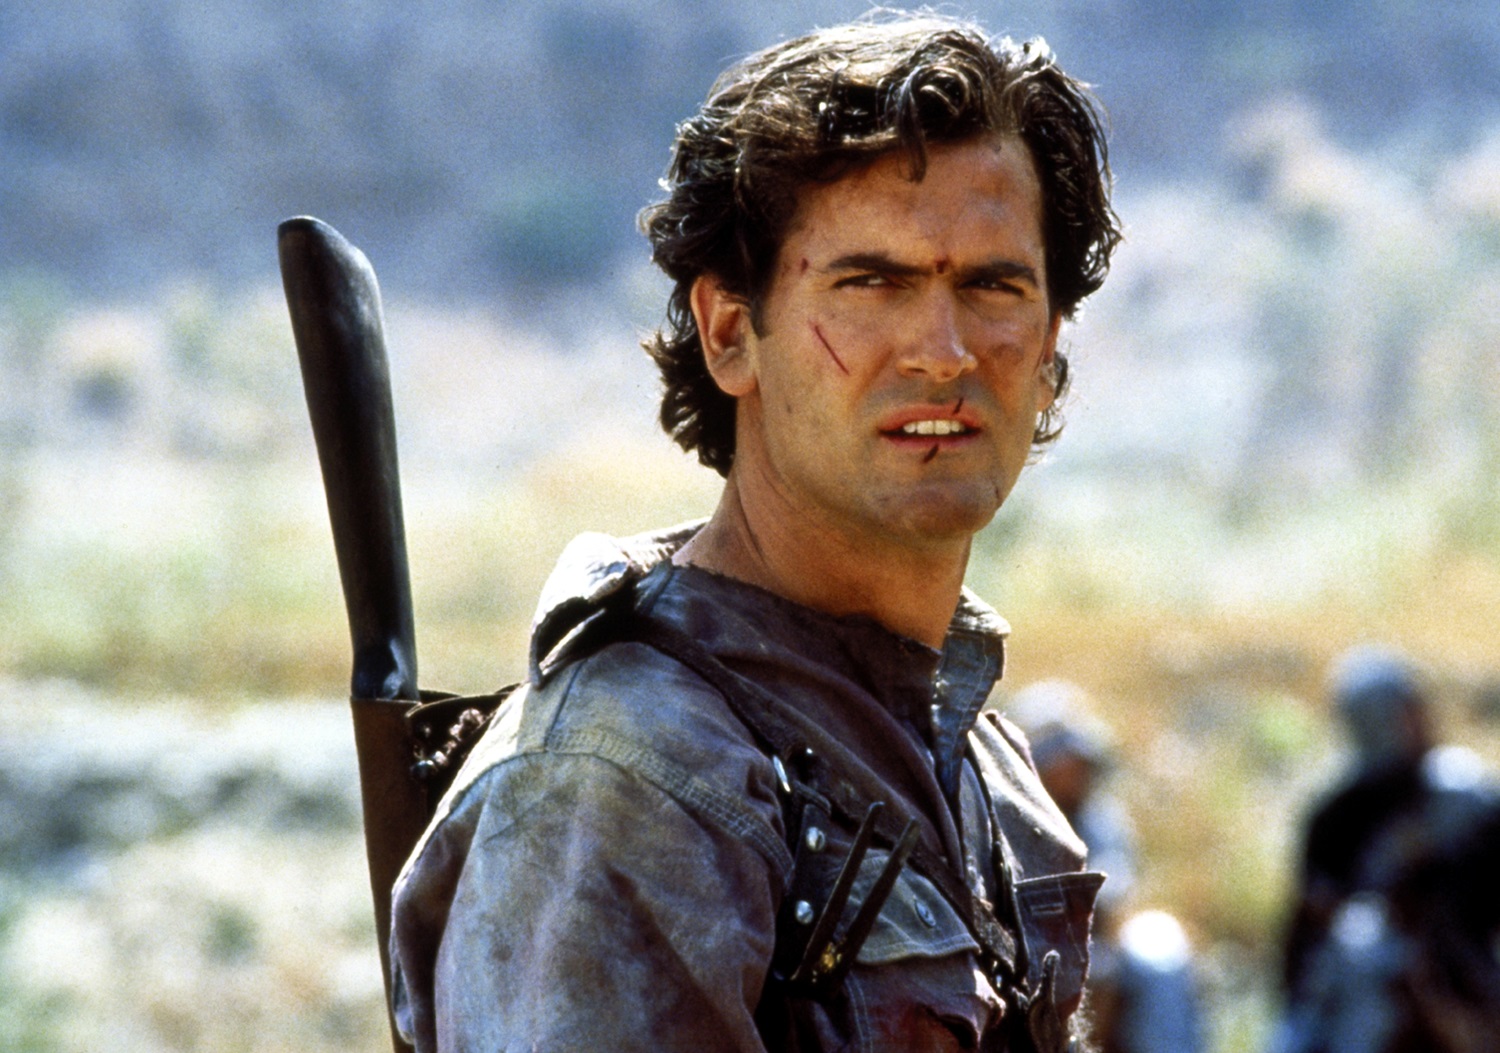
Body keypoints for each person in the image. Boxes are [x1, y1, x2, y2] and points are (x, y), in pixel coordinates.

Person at [390, 12, 1121, 1052]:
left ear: (1048, 345)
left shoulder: (982, 766)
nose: (944, 350)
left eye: (992, 286)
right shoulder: (629, 777)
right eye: (871, 284)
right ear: (732, 331)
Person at [1273, 645, 1500, 1053]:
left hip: (1455, 978)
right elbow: (1309, 922)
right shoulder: (1336, 815)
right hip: (1354, 983)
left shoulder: (1462, 796)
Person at [1011, 681, 1206, 1053]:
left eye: (1078, 763)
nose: (1073, 773)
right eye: (1061, 762)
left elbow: (1114, 894)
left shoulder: (1100, 821)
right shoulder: (1004, 820)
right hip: (1023, 952)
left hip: (1094, 946)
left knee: (1160, 955)